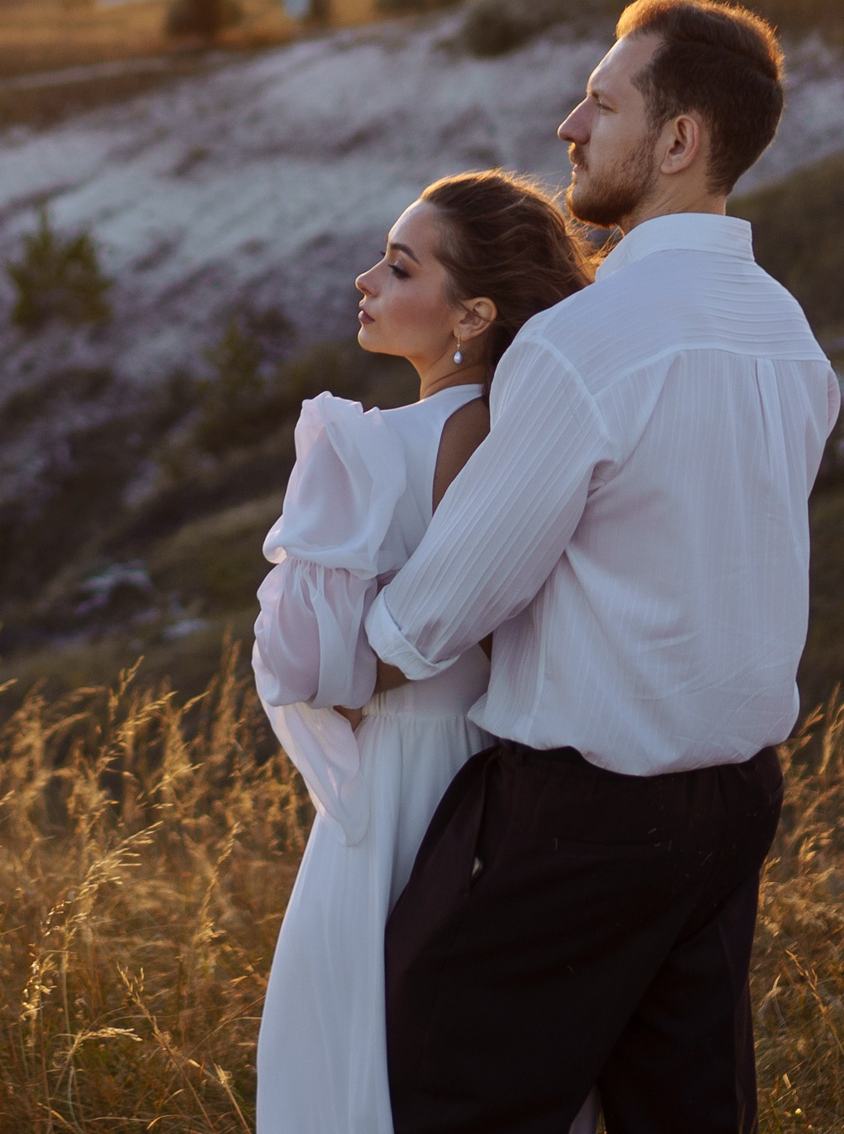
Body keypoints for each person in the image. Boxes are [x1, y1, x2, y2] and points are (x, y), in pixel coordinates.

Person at [369, 0, 841, 1134]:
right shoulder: (789, 337)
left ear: (678, 141)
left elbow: (449, 605)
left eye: (599, 102)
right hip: (732, 807)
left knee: (444, 1087)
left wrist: (336, 647)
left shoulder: (587, 346)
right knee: (678, 1116)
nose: (569, 128)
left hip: (581, 818)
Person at [251, 170, 598, 1134]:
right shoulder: (541, 434)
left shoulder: (376, 446)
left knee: (359, 1045)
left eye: (400, 266)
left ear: (473, 312)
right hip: (508, 767)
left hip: (405, 778)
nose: (365, 278)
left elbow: (307, 662)